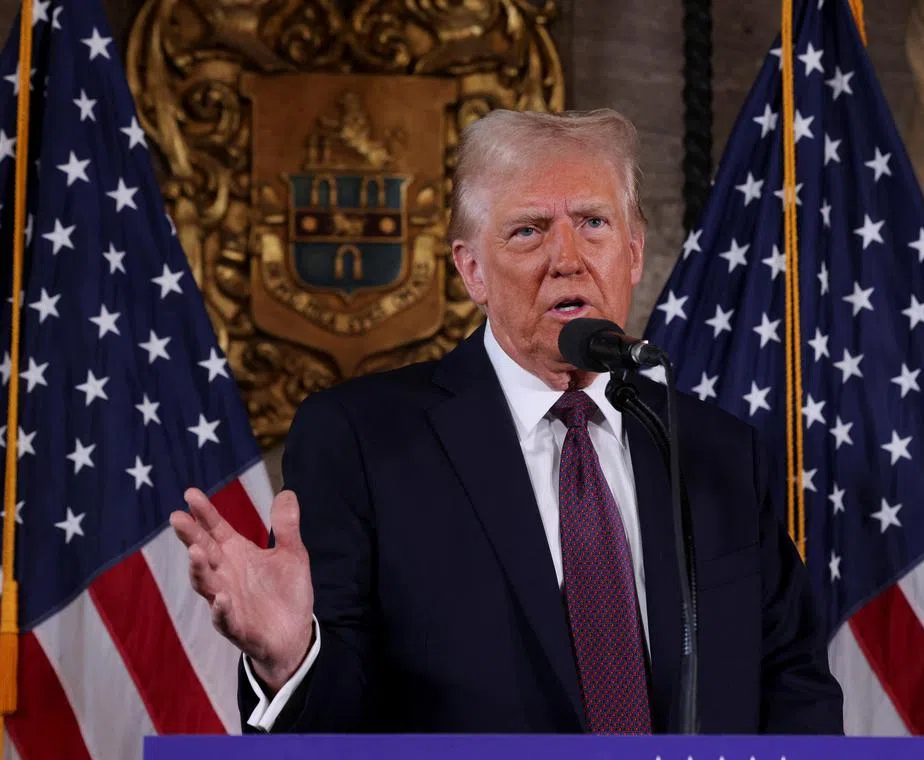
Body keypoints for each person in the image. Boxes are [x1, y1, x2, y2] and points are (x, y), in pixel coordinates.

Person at [170, 108, 844, 734]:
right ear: (472, 271)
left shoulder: (718, 451)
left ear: (635, 253)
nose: (568, 259)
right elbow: (339, 723)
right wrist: (290, 656)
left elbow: (794, 684)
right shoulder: (363, 442)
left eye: (594, 223)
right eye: (529, 230)